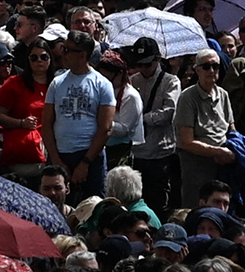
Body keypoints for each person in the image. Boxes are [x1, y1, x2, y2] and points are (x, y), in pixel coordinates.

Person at [41, 30, 116, 202]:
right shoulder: (57, 82)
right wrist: (56, 160)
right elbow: (47, 123)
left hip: (90, 156)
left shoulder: (102, 84)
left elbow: (105, 128)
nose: (62, 53)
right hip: (60, 153)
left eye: (67, 50)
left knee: (93, 205)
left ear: (82, 55)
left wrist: (85, 163)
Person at [175, 49, 236, 212]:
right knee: (195, 207)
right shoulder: (188, 97)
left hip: (222, 163)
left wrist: (232, 149)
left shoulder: (223, 94)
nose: (211, 71)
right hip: (196, 163)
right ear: (197, 70)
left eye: (215, 66)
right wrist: (217, 151)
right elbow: (186, 141)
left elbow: (231, 128)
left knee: (222, 207)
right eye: (206, 66)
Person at [129, 36, 181, 219]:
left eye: (148, 64)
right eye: (140, 65)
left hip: (161, 153)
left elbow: (169, 113)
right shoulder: (132, 81)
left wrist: (142, 119)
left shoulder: (171, 81)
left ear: (158, 59)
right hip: (137, 153)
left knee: (160, 204)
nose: (143, 69)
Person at [0, 38, 53, 177]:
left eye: (44, 57)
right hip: (24, 152)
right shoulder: (14, 83)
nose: (39, 60)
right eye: (34, 57)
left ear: (50, 59)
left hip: (53, 149)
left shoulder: (58, 84)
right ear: (28, 60)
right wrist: (21, 123)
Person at [97, 50, 144, 169]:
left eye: (108, 78)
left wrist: (103, 120)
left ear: (120, 74)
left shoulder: (130, 96)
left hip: (120, 150)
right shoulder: (101, 91)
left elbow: (124, 129)